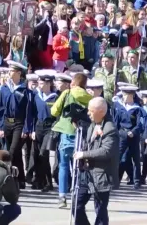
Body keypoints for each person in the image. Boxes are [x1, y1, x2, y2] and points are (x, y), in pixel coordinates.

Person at [71, 97, 119, 225]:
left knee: (100, 211)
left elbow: (106, 151)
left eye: (91, 111)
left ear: (102, 112)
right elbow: (88, 143)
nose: (88, 113)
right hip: (87, 174)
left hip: (101, 175)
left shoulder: (110, 128)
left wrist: (84, 154)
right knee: (76, 205)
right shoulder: (93, 124)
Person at [51, 73, 92, 208]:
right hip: (83, 134)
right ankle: (78, 194)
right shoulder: (90, 97)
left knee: (63, 165)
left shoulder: (67, 93)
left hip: (67, 132)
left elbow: (54, 111)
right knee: (80, 166)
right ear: (85, 84)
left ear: (73, 83)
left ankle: (62, 196)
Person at [0, 61, 31, 189]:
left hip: (19, 123)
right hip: (7, 122)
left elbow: (28, 111)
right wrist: (0, 126)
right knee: (16, 153)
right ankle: (20, 179)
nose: (9, 73)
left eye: (11, 71)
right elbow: (0, 109)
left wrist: (26, 128)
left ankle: (8, 179)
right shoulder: (5, 88)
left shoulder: (24, 90)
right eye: (8, 71)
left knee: (12, 151)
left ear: (18, 73)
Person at [30, 70, 57, 192]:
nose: (39, 85)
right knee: (36, 155)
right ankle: (39, 180)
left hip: (49, 128)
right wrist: (32, 130)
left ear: (49, 83)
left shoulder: (55, 97)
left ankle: (48, 182)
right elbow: (32, 114)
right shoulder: (36, 96)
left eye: (42, 83)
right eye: (39, 82)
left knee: (44, 154)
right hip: (38, 127)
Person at [114, 85, 145, 189]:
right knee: (117, 157)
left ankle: (137, 180)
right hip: (122, 134)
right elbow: (116, 122)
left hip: (133, 135)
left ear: (131, 95)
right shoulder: (120, 108)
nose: (124, 97)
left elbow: (140, 124)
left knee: (135, 159)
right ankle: (115, 181)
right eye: (123, 94)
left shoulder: (137, 109)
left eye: (126, 95)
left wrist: (134, 131)